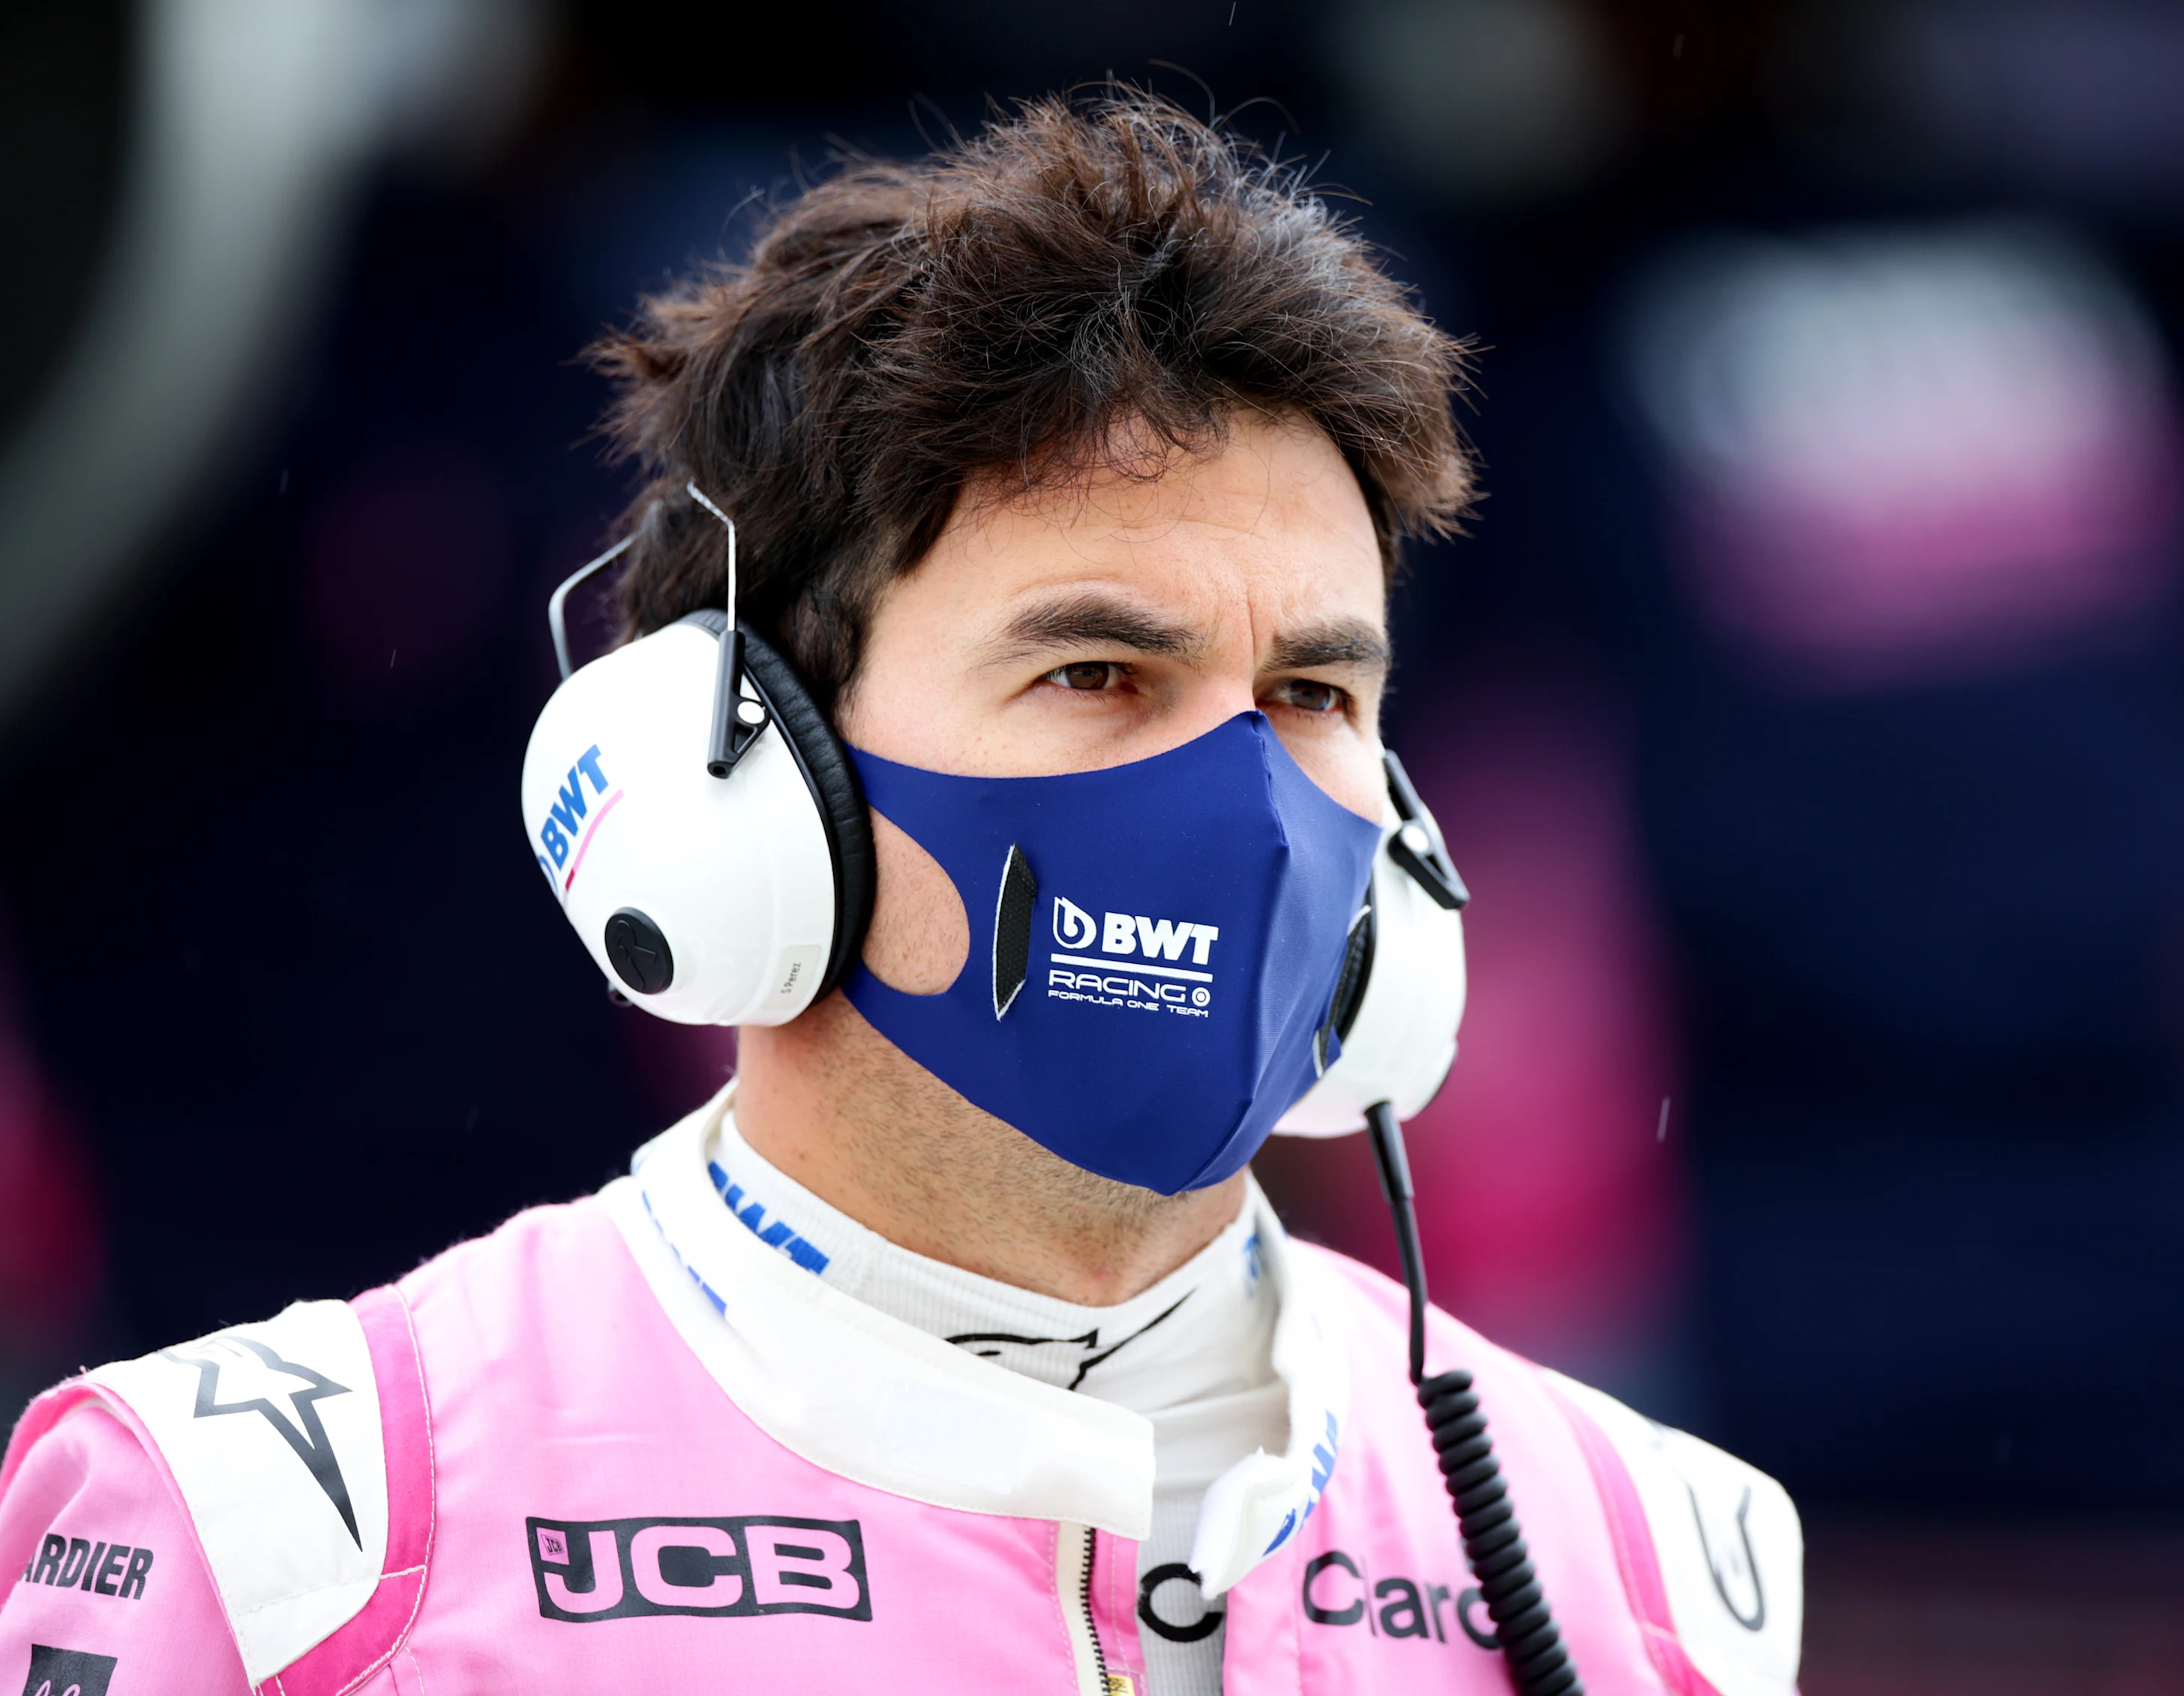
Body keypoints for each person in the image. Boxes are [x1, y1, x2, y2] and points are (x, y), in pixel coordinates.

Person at [0, 92, 1801, 1696]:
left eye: (1315, 693)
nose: (1244, 798)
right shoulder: (276, 1534)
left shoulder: (1651, 1564)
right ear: (742, 790)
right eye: (1097, 670)